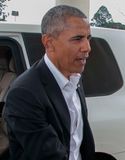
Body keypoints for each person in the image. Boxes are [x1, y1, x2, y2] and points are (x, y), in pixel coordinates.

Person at [4, 5, 95, 160]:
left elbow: (78, 143)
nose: (87, 47)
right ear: (49, 43)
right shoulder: (24, 93)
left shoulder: (75, 79)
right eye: (77, 39)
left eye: (88, 38)